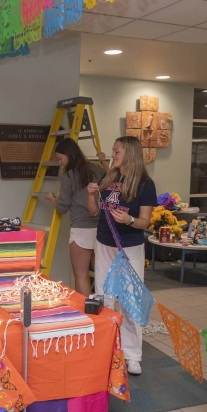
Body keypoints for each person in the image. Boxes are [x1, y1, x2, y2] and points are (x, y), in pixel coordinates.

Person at [87, 136, 157, 376]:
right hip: (104, 243)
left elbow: (145, 221)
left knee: (129, 302)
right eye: (113, 150)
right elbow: (94, 211)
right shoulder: (108, 178)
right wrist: (91, 194)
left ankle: (132, 356)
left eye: (116, 150)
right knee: (103, 298)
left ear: (130, 153)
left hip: (130, 248)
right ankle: (105, 350)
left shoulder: (146, 184)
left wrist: (129, 220)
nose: (113, 154)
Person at [45, 139, 108, 296]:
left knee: (81, 276)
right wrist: (104, 160)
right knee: (102, 276)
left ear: (69, 155)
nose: (60, 162)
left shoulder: (68, 176)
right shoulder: (96, 169)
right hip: (100, 228)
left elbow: (62, 207)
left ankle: (86, 313)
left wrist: (52, 198)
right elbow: (110, 182)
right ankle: (106, 313)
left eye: (60, 158)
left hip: (81, 229)